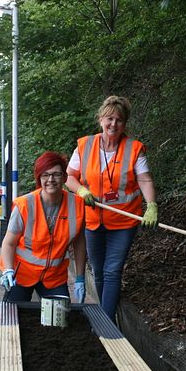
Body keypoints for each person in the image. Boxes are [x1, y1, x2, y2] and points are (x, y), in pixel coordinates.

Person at [65, 95, 158, 322]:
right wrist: (82, 191)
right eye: (109, 119)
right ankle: (106, 315)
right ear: (100, 120)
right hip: (93, 220)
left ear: (125, 124)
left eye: (119, 120)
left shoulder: (134, 149)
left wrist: (152, 205)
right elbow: (69, 177)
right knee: (97, 270)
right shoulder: (84, 145)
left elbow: (144, 179)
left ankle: (105, 323)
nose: (113, 124)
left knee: (112, 271)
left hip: (124, 222)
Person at [0, 151, 87, 303]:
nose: (50, 179)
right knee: (12, 319)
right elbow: (9, 242)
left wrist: (80, 277)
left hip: (54, 277)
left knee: (57, 322)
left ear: (65, 178)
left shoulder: (78, 205)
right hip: (21, 274)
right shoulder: (24, 205)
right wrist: (8, 269)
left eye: (56, 174)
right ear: (39, 178)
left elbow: (79, 243)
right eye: (45, 175)